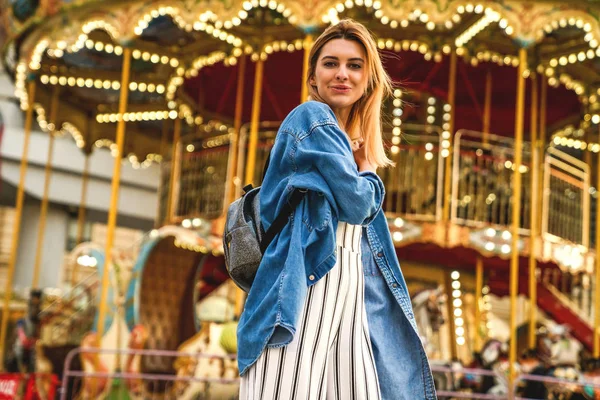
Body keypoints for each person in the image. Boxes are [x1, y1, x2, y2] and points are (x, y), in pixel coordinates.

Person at [237, 19, 436, 399]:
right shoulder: (311, 119)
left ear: (368, 79)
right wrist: (368, 173)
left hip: (349, 296)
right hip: (301, 290)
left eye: (355, 65)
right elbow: (358, 204)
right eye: (330, 63)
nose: (342, 74)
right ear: (313, 77)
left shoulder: (346, 143)